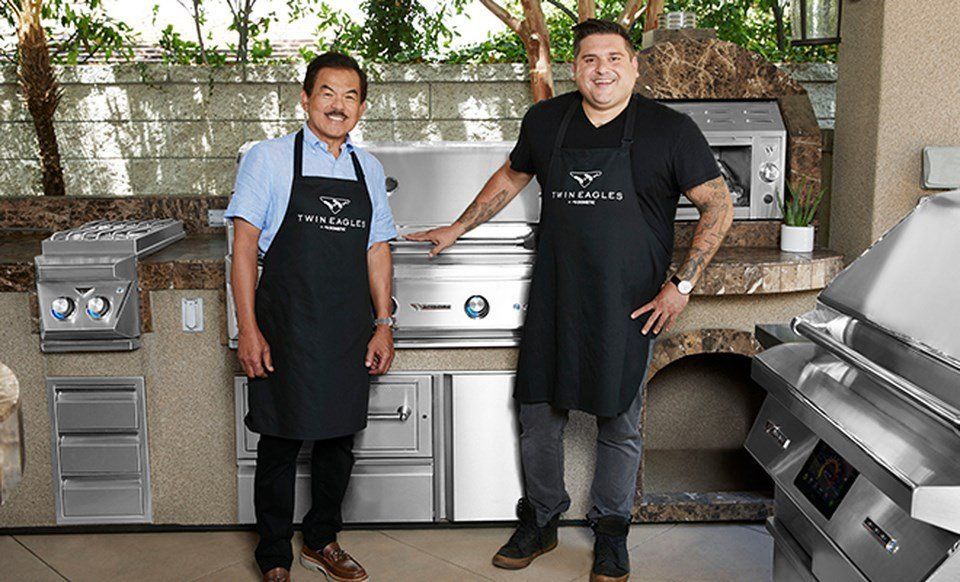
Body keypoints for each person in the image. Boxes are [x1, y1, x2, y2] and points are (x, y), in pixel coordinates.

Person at [407, 19, 733, 582]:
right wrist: (458, 228)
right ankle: (541, 517)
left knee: (619, 423)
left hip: (628, 304)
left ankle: (611, 531)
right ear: (574, 67)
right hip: (556, 296)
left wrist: (682, 285)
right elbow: (511, 177)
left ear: (633, 66)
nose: (601, 69)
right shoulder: (546, 120)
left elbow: (718, 204)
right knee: (537, 414)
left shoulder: (670, 130)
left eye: (613, 58)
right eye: (588, 59)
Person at [226, 52, 397, 582]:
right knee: (279, 441)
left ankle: (322, 540)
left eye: (349, 96)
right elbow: (243, 249)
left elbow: (377, 248)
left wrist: (384, 323)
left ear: (362, 107)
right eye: (327, 93)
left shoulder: (367, 168)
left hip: (347, 328)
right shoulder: (268, 159)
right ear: (305, 98)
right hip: (286, 327)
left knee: (338, 440)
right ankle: (274, 553)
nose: (338, 105)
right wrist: (248, 329)